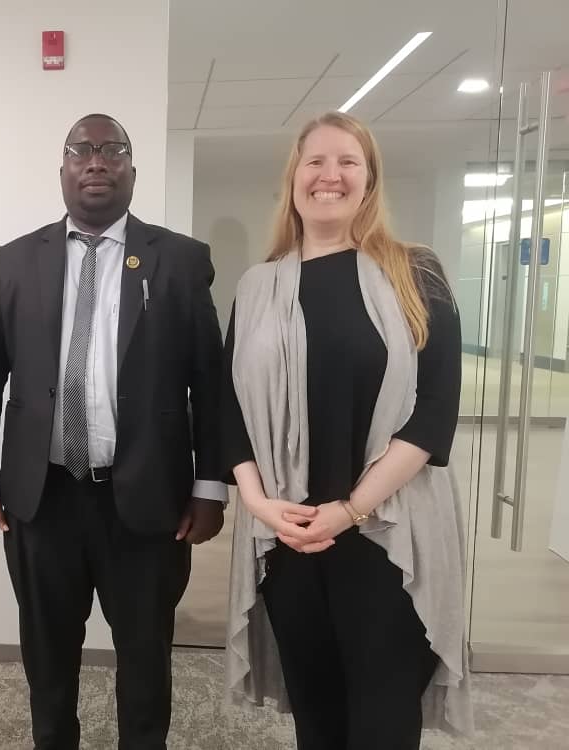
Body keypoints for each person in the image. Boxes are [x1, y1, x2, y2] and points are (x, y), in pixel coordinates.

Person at [0, 114, 226, 749]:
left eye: (113, 151)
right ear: (63, 171)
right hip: (41, 497)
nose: (97, 161)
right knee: (48, 658)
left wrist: (211, 484)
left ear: (133, 170)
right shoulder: (17, 260)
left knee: (145, 658)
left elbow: (211, 382)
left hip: (149, 501)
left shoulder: (181, 261)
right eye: (81, 150)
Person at [221, 111, 473, 749]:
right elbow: (228, 411)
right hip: (288, 538)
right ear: (294, 178)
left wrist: (351, 509)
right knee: (319, 715)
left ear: (370, 180)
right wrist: (257, 505)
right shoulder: (257, 289)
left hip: (388, 536)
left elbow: (435, 411)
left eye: (347, 162)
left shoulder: (418, 275)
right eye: (316, 161)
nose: (329, 176)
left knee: (384, 719)